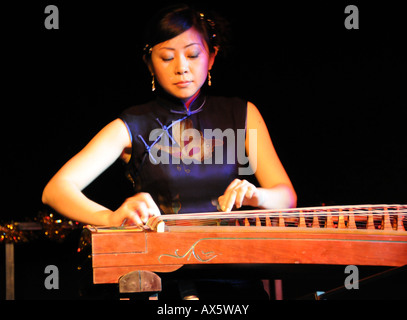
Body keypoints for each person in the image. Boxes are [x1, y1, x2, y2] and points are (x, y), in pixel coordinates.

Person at [42, 4, 296, 299]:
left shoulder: (242, 114)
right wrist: (112, 218)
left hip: (236, 279)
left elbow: (286, 196)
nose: (181, 67)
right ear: (150, 63)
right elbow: (56, 189)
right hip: (164, 282)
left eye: (192, 55)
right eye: (166, 57)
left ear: (211, 57)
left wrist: (257, 195)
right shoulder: (134, 124)